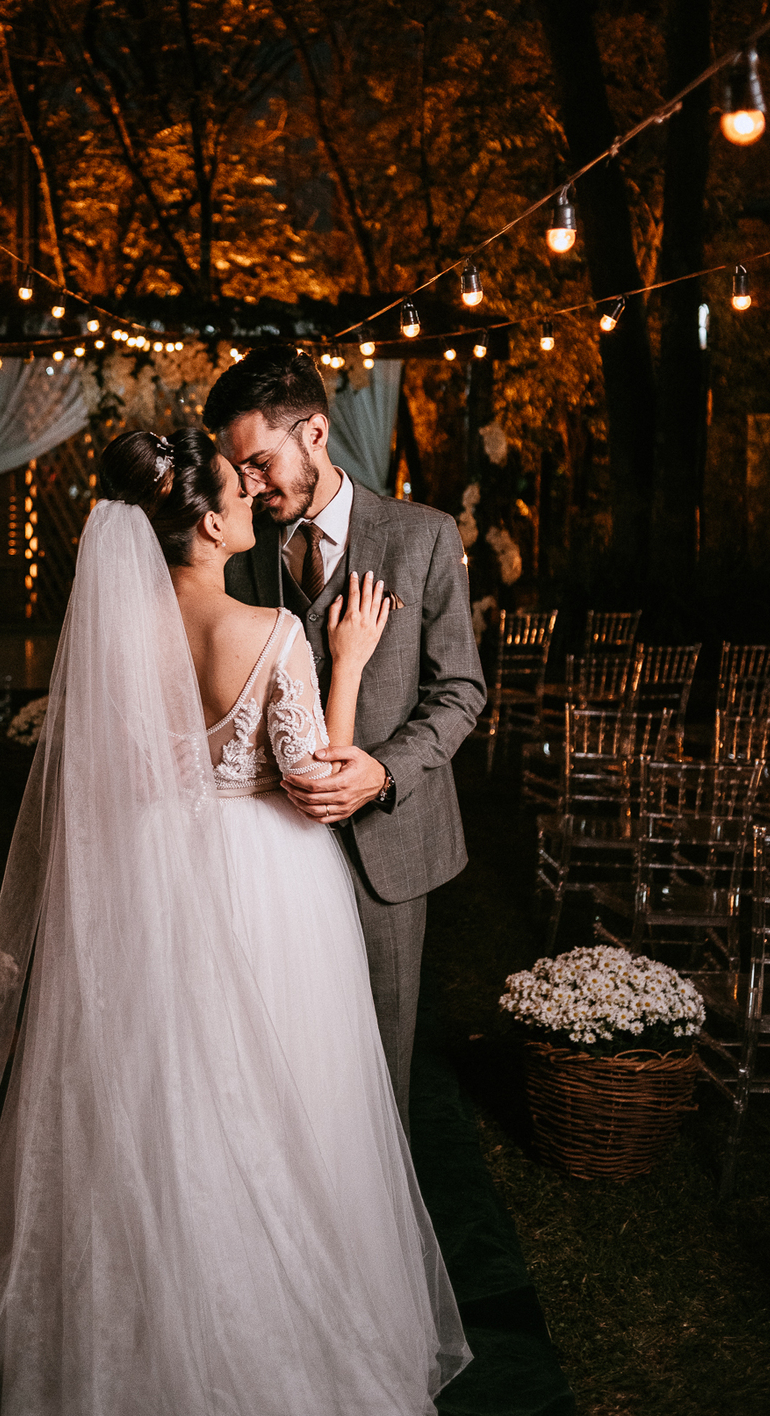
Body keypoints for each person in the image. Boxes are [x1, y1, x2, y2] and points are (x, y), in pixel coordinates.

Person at [0, 428, 469, 1415]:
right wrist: (348, 663)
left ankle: (133, 1314)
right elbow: (315, 788)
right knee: (275, 1098)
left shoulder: (119, 634)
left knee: (158, 1091)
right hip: (267, 882)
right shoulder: (271, 631)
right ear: (206, 524)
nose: (254, 500)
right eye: (241, 491)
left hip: (153, 873)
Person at [203, 346, 485, 1131]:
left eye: (260, 463)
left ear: (316, 433)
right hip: (272, 850)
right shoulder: (237, 549)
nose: (249, 486)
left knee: (381, 1068)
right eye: (238, 470)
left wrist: (383, 773)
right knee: (283, 1056)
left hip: (384, 853)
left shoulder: (425, 537)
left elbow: (461, 690)